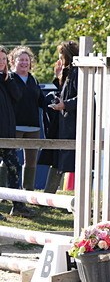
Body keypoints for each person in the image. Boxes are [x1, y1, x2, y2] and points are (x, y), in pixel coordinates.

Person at [5, 46, 44, 196]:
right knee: (8, 159)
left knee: (31, 161)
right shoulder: (9, 78)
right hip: (14, 126)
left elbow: (41, 101)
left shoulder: (33, 79)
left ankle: (28, 192)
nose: (24, 63)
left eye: (26, 60)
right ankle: (4, 192)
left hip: (33, 126)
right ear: (13, 61)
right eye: (20, 59)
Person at [44, 41, 80, 194]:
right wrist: (58, 77)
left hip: (75, 123)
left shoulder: (78, 72)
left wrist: (65, 105)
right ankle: (48, 194)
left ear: (67, 56)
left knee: (70, 161)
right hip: (65, 122)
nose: (59, 58)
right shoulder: (70, 72)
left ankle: (79, 196)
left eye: (61, 55)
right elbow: (63, 93)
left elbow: (84, 97)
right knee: (57, 159)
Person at [0, 47, 21, 215]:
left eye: (4, 59)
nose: (1, 62)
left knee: (15, 167)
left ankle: (18, 205)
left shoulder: (7, 78)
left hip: (7, 134)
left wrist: (8, 80)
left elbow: (18, 96)